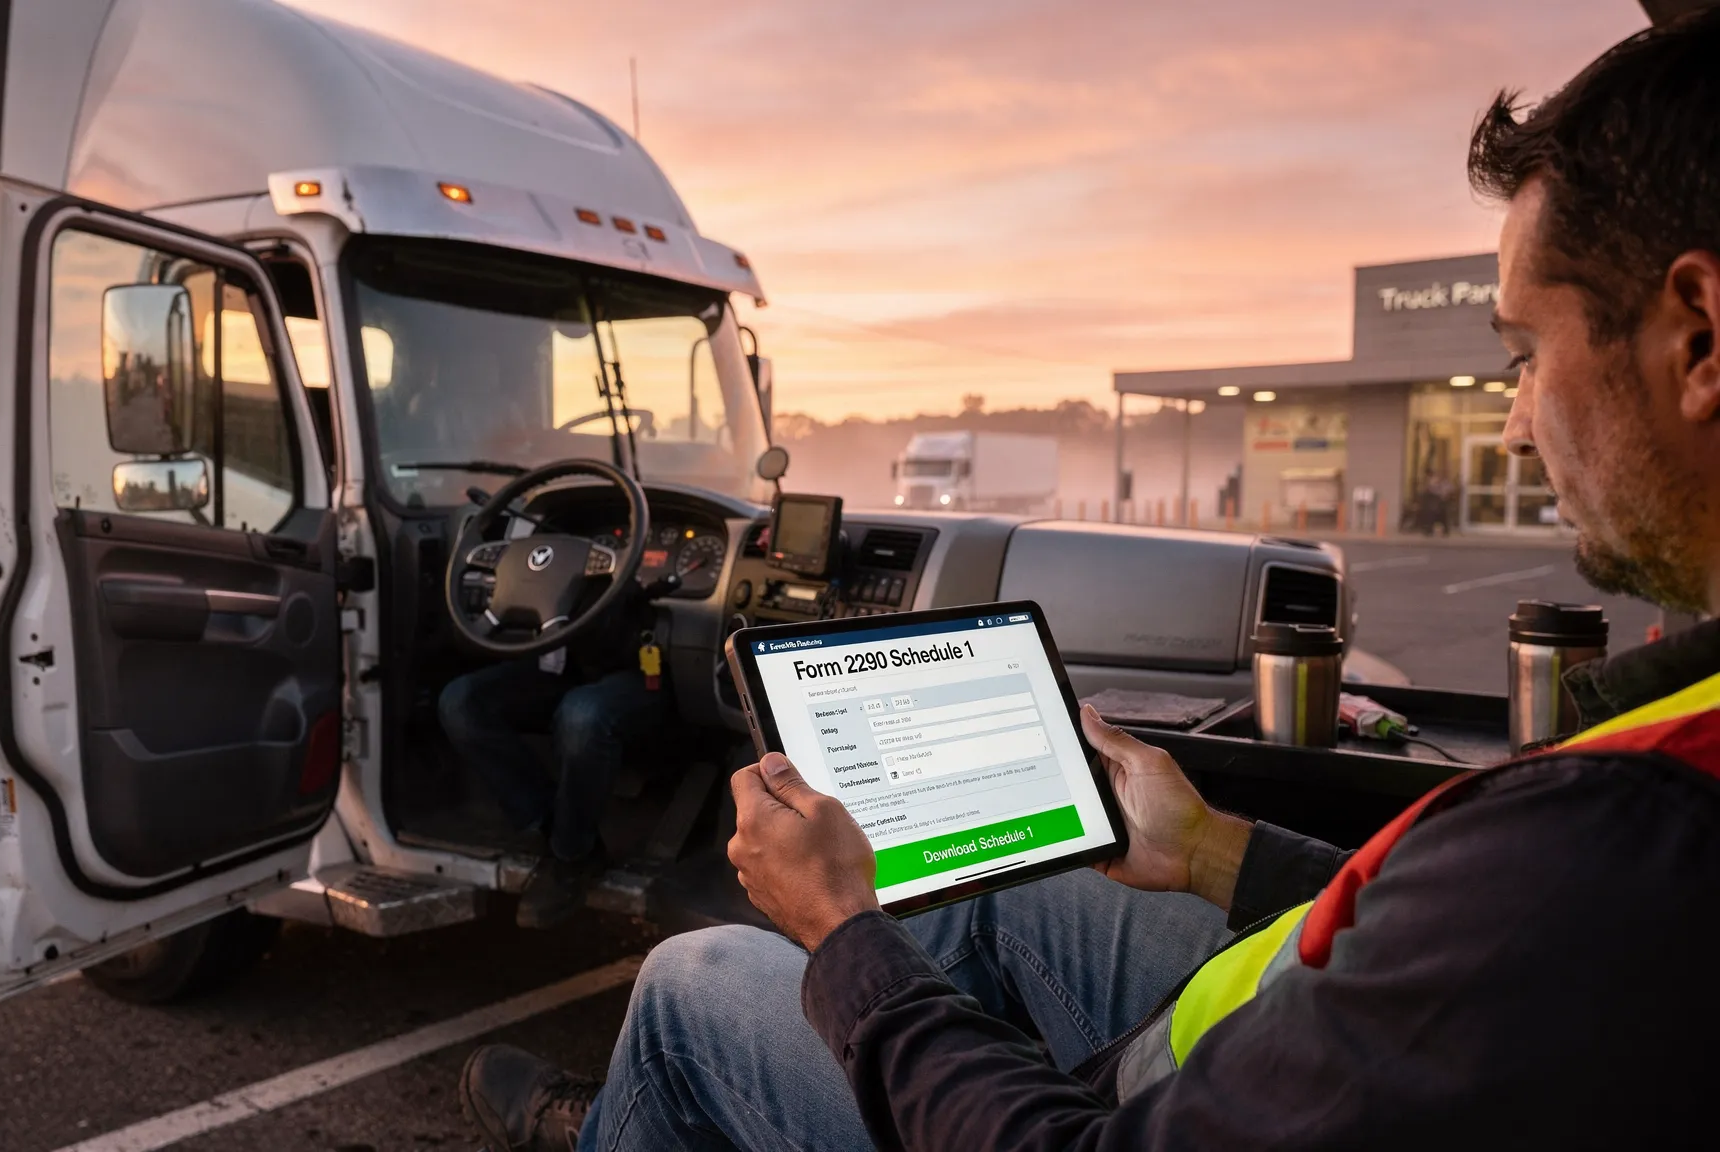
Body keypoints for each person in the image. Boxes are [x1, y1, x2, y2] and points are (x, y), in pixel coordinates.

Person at [458, 11, 1720, 1149]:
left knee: (688, 987)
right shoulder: (1646, 777)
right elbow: (1413, 946)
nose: (1508, 425)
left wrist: (843, 940)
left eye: (1520, 353)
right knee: (1002, 883)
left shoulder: (1608, 841)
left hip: (1136, 1106)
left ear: (1695, 338)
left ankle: (656, 1102)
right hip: (1243, 1022)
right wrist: (1215, 849)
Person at [439, 627, 668, 929]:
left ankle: (570, 854)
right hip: (561, 662)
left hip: (650, 667)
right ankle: (557, 831)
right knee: (461, 702)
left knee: (582, 716)